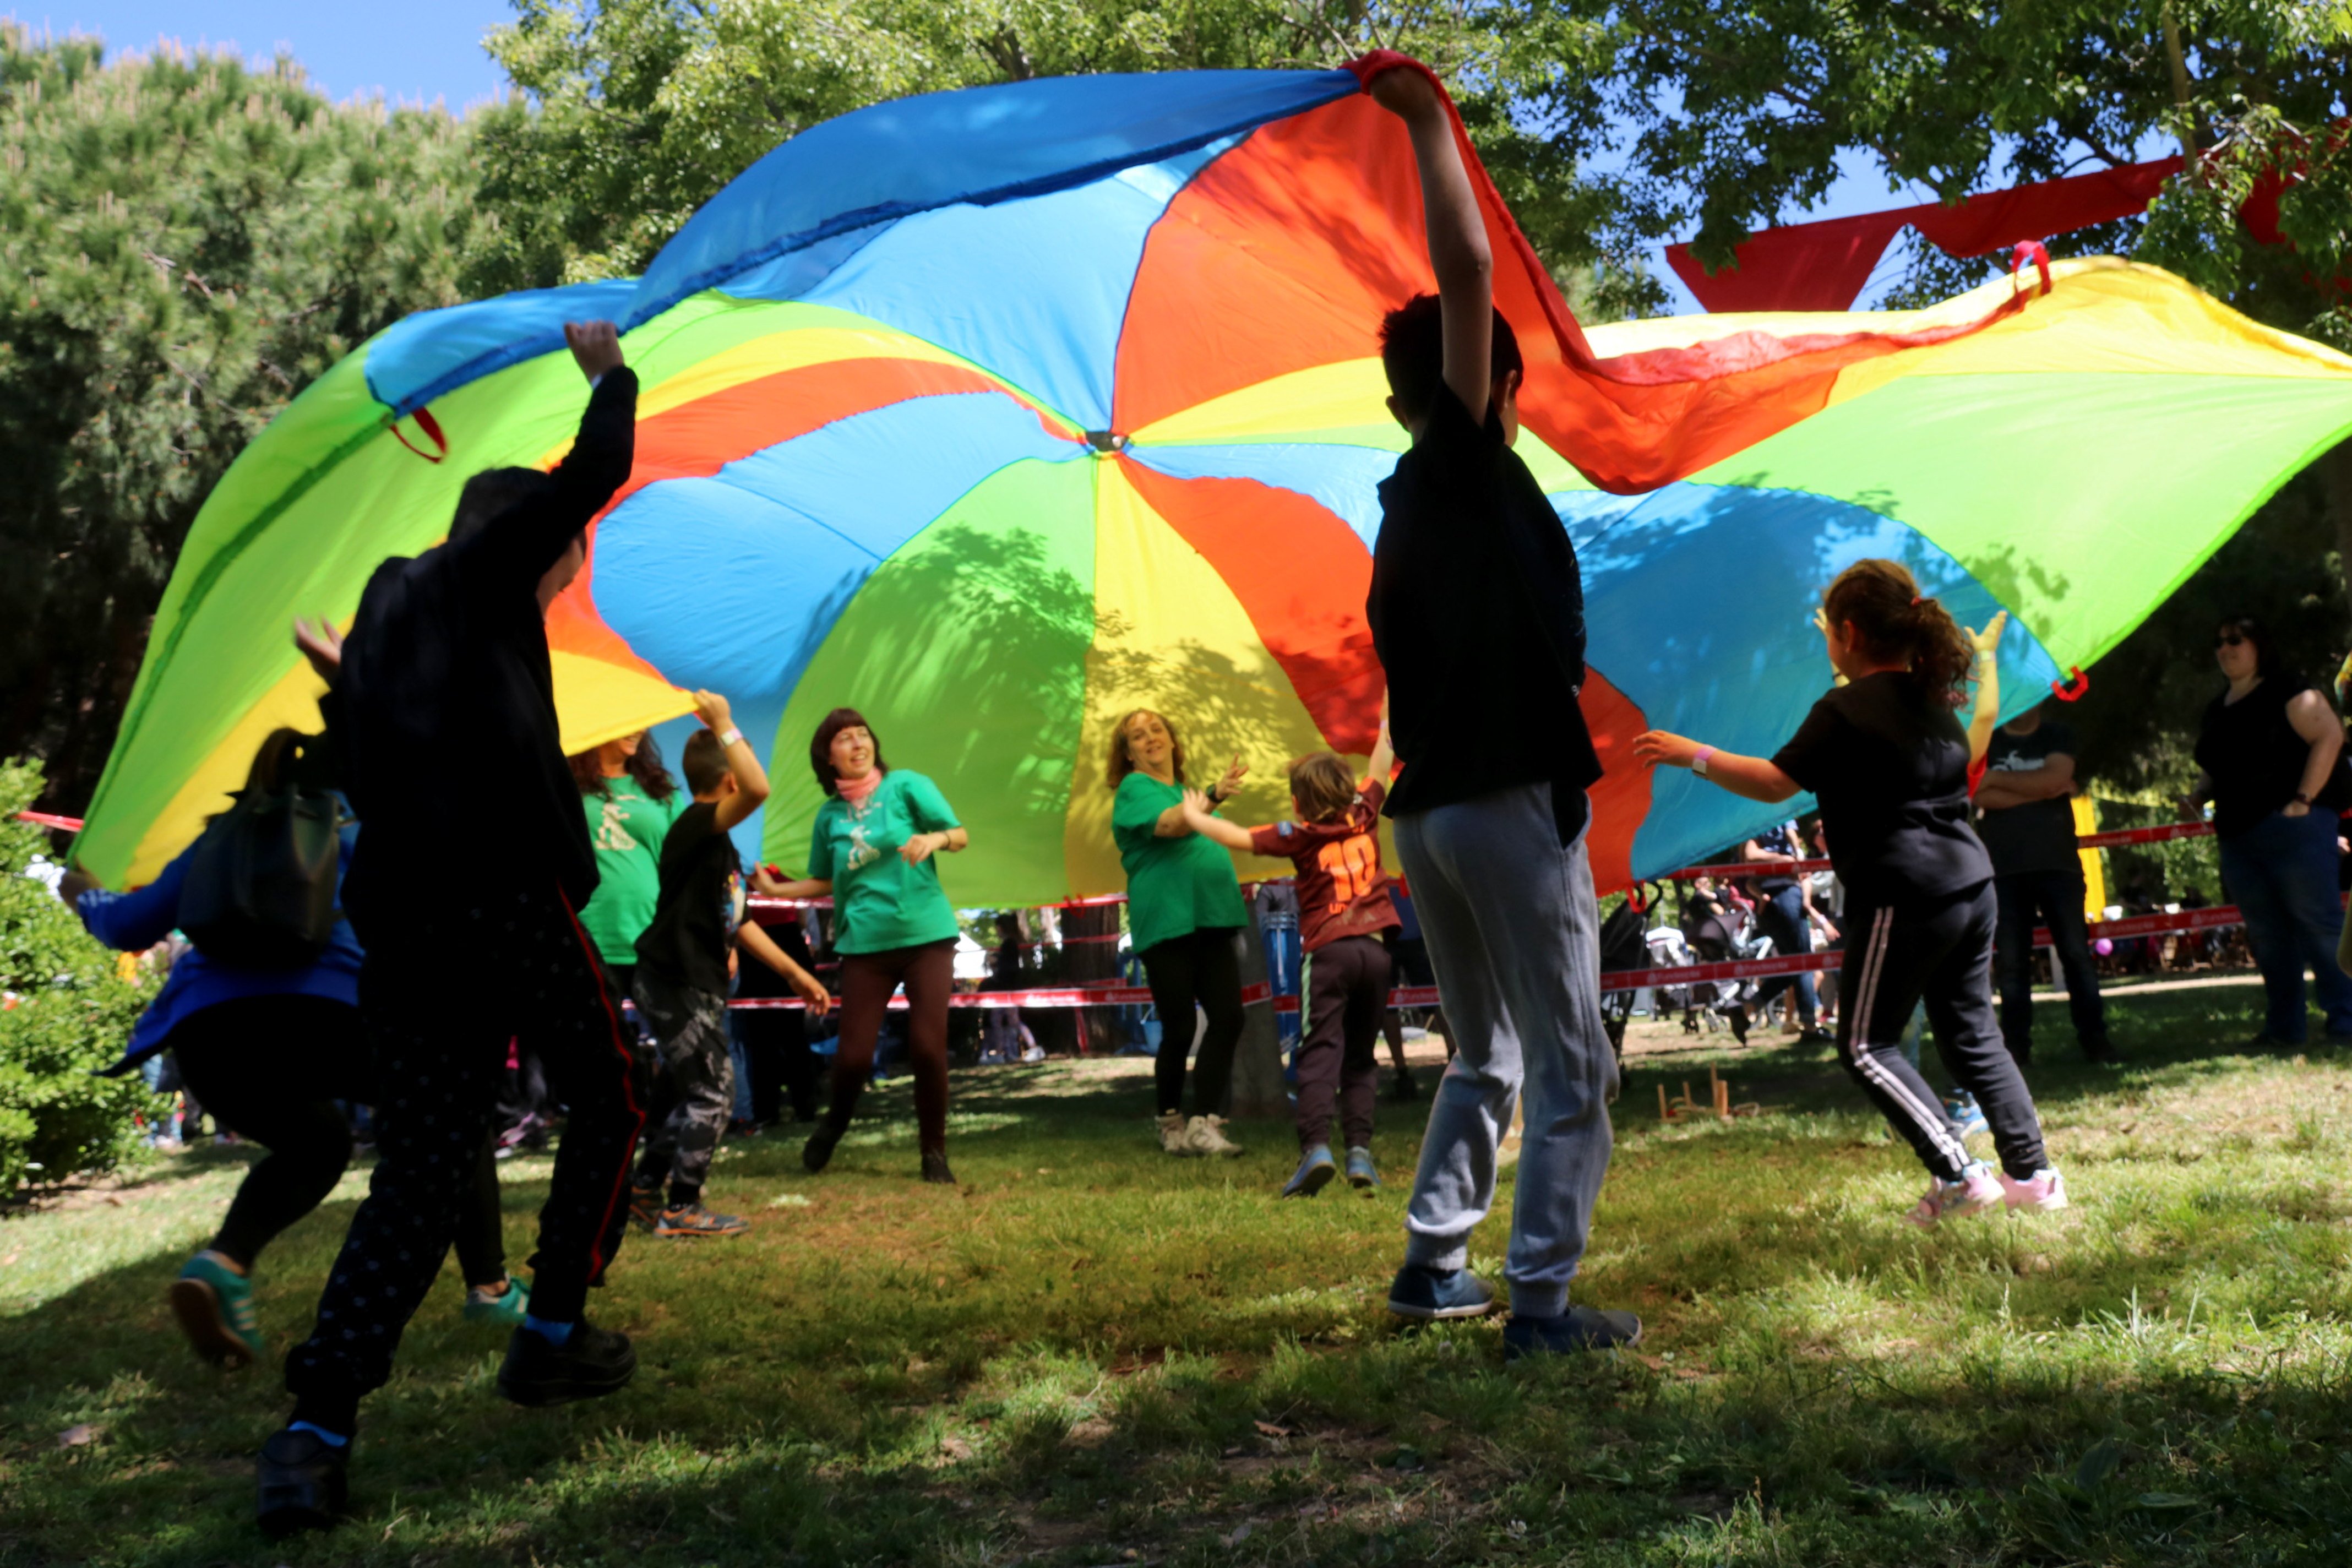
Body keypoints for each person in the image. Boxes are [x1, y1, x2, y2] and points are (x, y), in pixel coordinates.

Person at [259, 321, 648, 1538]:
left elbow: (387, 749)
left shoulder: (394, 606)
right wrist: (608, 374)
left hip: (407, 923)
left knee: (422, 1172)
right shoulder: (484, 566)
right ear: (529, 538)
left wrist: (344, 676)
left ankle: (314, 1428)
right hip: (501, 896)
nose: (565, 575)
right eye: (564, 557)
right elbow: (594, 472)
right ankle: (549, 1331)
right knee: (613, 1093)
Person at [1360, 62, 1637, 1360]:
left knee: (1489, 1049)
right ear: (1493, 391)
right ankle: (1541, 1303)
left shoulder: (1407, 504)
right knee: (1572, 1055)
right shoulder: (1461, 469)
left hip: (1431, 811)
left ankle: (1432, 1264)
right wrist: (1426, 125)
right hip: (1502, 803)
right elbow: (1465, 272)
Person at [65, 731, 527, 1374]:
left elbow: (125, 926)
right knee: (454, 1120)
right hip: (333, 1018)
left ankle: (223, 1263)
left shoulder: (222, 834)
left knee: (315, 1145)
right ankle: (491, 1290)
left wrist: (82, 889)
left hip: (210, 1034)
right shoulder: (383, 829)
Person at [1633, 559, 2068, 1228]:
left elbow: (1777, 783)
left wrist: (1693, 752)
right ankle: (2035, 1178)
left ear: (1849, 633)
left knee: (1867, 1045)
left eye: (1831, 633)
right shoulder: (1932, 699)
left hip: (1907, 892)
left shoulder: (1844, 710)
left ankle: (1959, 1173)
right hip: (1971, 884)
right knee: (1974, 1032)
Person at [629, 695, 832, 1236]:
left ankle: (644, 1191)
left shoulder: (715, 845)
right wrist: (724, 725)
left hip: (687, 980)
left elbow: (737, 919)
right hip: (673, 978)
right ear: (731, 782)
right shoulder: (697, 823)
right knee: (714, 1094)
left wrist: (795, 972)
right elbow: (760, 787)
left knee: (699, 1092)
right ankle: (681, 1208)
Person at [1183, 719, 1401, 1197]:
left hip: (1330, 951)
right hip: (1378, 952)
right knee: (1362, 1057)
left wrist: (1196, 816)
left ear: (1299, 802)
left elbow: (1239, 838)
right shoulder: (1365, 810)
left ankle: (1316, 1149)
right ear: (1348, 789)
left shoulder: (1299, 834)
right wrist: (1385, 717)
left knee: (1320, 1051)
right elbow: (1382, 761)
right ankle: (1360, 1153)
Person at [764, 709, 970, 1183]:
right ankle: (834, 1124)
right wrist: (776, 893)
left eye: (863, 735)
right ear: (828, 757)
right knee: (854, 1057)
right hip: (864, 943)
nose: (858, 743)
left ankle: (933, 1153)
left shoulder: (907, 786)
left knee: (927, 1048)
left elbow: (960, 836)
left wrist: (933, 839)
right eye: (844, 738)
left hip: (926, 935)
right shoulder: (829, 816)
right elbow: (823, 880)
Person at [2184, 613, 2352, 1046]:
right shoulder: (2216, 707)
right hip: (2237, 835)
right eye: (2219, 641)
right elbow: (2214, 771)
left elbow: (2330, 737)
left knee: (2319, 925)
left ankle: (2346, 1019)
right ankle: (2284, 1028)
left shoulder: (2290, 689)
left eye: (2236, 639)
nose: (2226, 648)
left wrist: (2303, 802)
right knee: (2267, 935)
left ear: (2261, 645)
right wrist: (2195, 799)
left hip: (2296, 828)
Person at [1106, 707, 1251, 1159]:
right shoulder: (1135, 789)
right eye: (1138, 736)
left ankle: (1204, 1124)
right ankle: (1169, 1122)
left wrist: (1208, 798)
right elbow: (1172, 824)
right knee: (1180, 1025)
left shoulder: (1183, 792)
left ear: (1172, 741)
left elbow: (1190, 817)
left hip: (1211, 916)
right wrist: (1212, 795)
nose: (1150, 738)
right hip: (1167, 922)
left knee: (1229, 1017)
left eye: (1157, 730)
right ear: (1128, 755)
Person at [1975, 700, 2116, 1064]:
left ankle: (2095, 1040)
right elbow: (1976, 794)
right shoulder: (1984, 742)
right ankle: (2016, 1050)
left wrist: (1996, 780)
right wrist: (2039, 788)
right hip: (2003, 870)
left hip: (2059, 866)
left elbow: (2053, 778)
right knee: (2012, 965)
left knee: (2076, 957)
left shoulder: (2058, 734)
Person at [1739, 821, 1829, 1042]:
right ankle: (1809, 1027)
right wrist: (1787, 861)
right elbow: (1750, 856)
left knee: (1794, 965)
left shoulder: (1778, 822)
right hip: (1783, 897)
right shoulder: (1759, 823)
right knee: (1804, 963)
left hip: (1773, 901)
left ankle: (1749, 1007)